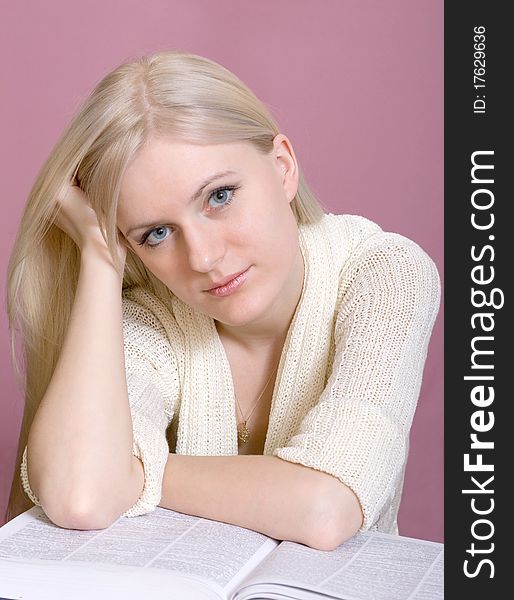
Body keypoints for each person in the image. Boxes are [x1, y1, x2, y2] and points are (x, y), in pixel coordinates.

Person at [4, 50, 440, 551]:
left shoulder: (385, 274)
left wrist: (133, 475)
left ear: (282, 167)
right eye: (157, 233)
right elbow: (81, 494)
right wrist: (100, 256)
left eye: (219, 196)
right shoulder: (154, 321)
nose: (205, 258)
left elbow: (326, 508)